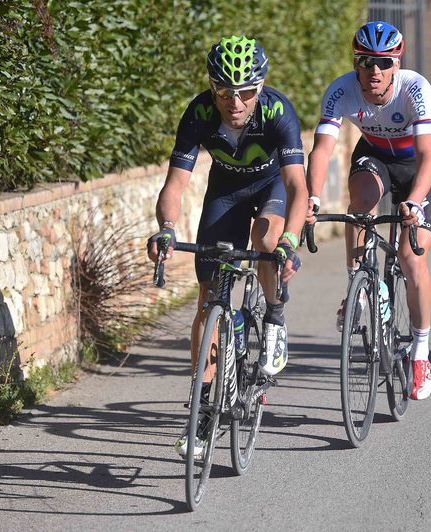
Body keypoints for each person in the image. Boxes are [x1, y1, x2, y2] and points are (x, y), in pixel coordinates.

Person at [147, 35, 307, 456]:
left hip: (271, 185)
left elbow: (297, 186)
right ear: (212, 89)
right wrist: (167, 227)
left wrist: (289, 241)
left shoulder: (277, 111)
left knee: (265, 239)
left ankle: (274, 315)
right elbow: (175, 184)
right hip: (226, 191)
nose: (234, 103)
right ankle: (201, 415)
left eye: (245, 93)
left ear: (260, 88)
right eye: (223, 92)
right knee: (208, 299)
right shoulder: (198, 113)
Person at [306, 21, 431, 400]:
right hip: (376, 156)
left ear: (396, 64)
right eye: (366, 62)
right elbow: (321, 150)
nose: (374, 71)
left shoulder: (416, 89)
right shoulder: (341, 90)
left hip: (417, 166)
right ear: (356, 62)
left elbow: (429, 155)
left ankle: (420, 352)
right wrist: (312, 197)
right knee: (360, 203)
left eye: (383, 63)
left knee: (412, 258)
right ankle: (357, 282)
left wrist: (413, 200)